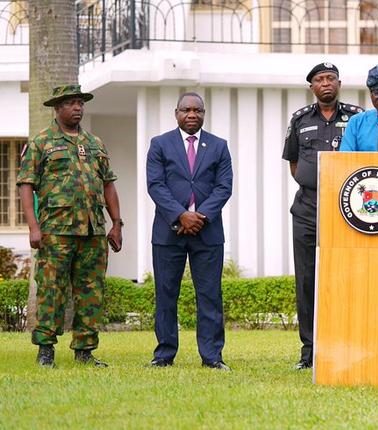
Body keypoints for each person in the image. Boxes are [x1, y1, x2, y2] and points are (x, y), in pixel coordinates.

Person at [17, 84, 123, 367]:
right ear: (57, 108)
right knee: (52, 289)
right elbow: (26, 185)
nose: (78, 107)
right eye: (71, 103)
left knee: (91, 290)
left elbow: (108, 185)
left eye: (80, 102)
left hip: (92, 231)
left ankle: (85, 350)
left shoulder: (94, 143)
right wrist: (33, 227)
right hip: (56, 231)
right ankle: (45, 350)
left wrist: (116, 224)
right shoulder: (42, 142)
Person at [282, 62, 363, 370]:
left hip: (346, 209)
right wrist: (314, 184)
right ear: (312, 86)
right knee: (306, 280)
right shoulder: (300, 120)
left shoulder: (357, 117)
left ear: (339, 83)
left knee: (346, 279)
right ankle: (310, 352)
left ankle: (346, 346)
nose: (326, 83)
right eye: (319, 79)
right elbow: (293, 163)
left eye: (331, 78)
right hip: (307, 209)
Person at [146, 92, 233, 371]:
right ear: (177, 113)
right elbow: (155, 185)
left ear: (204, 114)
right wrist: (181, 215)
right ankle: (164, 354)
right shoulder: (160, 144)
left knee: (209, 295)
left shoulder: (219, 146)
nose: (192, 115)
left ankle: (212, 356)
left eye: (198, 110)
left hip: (207, 232)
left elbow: (224, 186)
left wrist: (201, 216)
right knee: (166, 293)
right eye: (186, 110)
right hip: (169, 232)